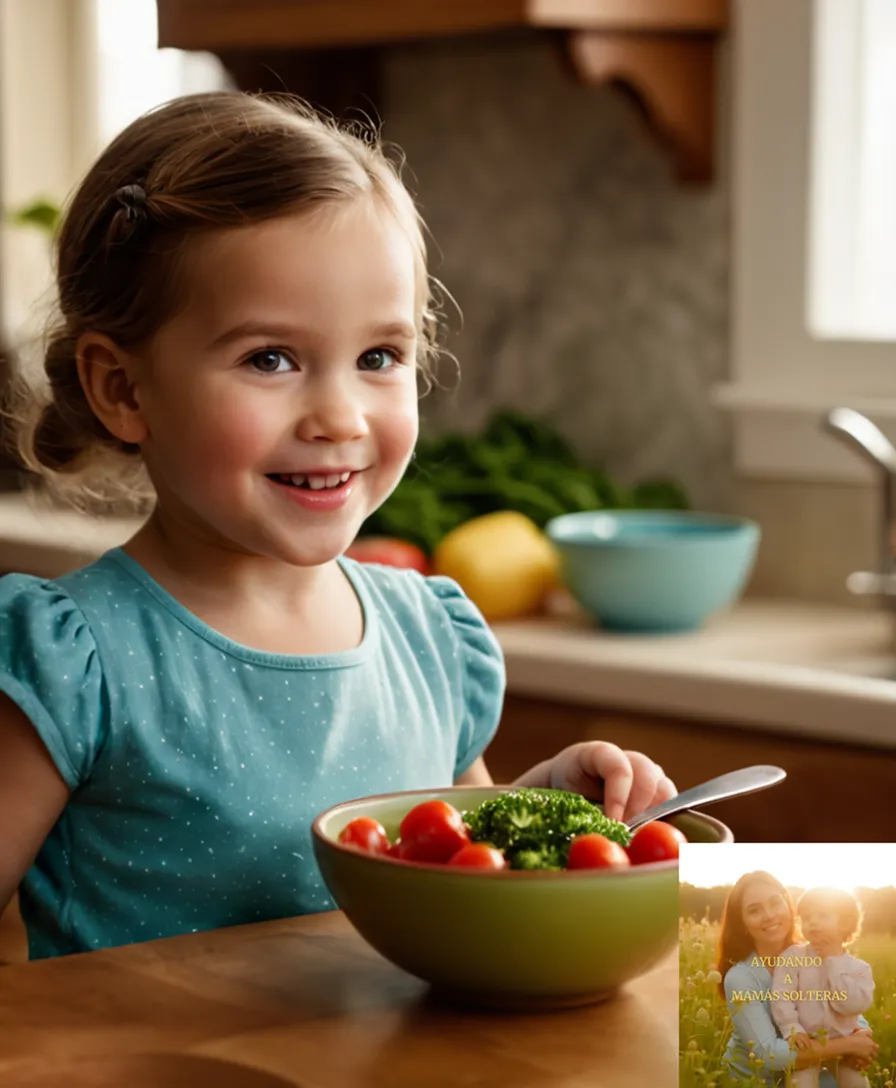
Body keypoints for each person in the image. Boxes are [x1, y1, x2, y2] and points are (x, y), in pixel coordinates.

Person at [0, 92, 677, 960]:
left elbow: (446, 856)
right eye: (270, 359)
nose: (340, 416)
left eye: (379, 358)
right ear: (123, 389)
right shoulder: (71, 661)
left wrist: (545, 808)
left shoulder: (432, 638)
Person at [716, 872, 878, 1085]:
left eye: (775, 903)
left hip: (813, 1063)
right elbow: (768, 1053)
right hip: (758, 1079)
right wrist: (849, 1045)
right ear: (742, 923)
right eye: (754, 910)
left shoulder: (816, 953)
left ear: (788, 906)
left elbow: (839, 1003)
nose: (769, 915)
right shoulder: (741, 978)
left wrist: (861, 1032)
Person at [770, 887, 874, 1088]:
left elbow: (851, 1006)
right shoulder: (793, 958)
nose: (813, 922)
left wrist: (833, 962)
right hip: (807, 1043)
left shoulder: (859, 969)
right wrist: (793, 1030)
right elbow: (781, 997)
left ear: (845, 923)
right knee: (801, 1083)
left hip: (844, 1047)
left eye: (822, 915)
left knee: (857, 1083)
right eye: (807, 917)